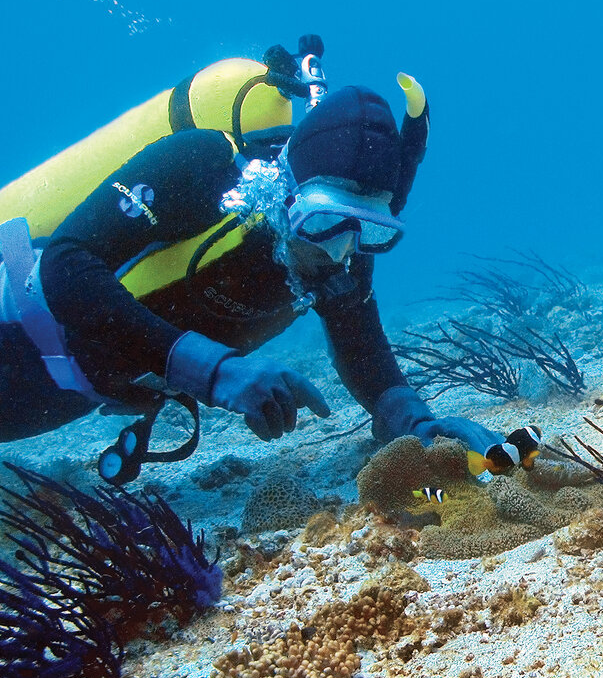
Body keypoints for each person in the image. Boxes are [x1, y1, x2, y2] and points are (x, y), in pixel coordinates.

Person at [0, 67, 503, 482]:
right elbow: (65, 266)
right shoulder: (200, 168)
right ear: (288, 192)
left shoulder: (342, 238)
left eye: (369, 232)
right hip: (16, 339)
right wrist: (214, 372)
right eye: (324, 221)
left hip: (75, 393)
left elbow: (361, 343)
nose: (341, 250)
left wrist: (415, 423)